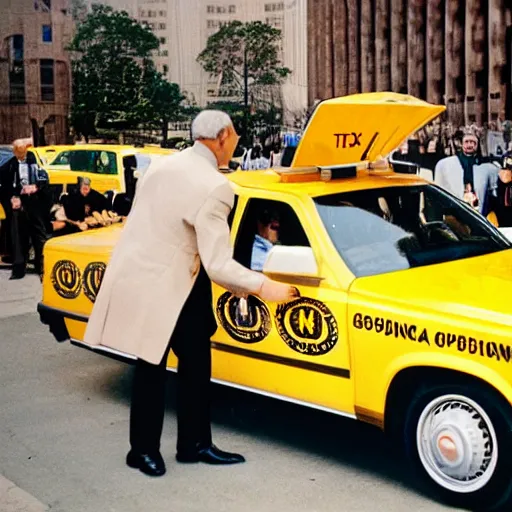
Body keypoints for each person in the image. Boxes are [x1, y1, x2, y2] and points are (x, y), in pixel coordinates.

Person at [83, 110, 299, 477]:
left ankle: (191, 444)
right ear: (222, 137)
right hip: (164, 280)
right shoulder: (215, 186)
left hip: (164, 274)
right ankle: (149, 450)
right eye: (234, 136)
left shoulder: (166, 164)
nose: (236, 143)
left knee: (187, 363)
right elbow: (219, 264)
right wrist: (266, 286)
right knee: (157, 366)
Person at [0, 138, 51, 280]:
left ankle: (41, 266)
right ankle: (19, 267)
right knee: (19, 235)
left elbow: (44, 178)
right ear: (15, 152)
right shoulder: (8, 167)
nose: (23, 156)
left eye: (24, 152)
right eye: (20, 153)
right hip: (19, 203)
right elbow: (4, 188)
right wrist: (12, 198)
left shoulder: (33, 160)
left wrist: (36, 187)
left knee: (39, 234)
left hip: (34, 202)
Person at [435, 131, 499, 215]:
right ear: (462, 144)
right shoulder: (449, 163)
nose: (469, 145)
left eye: (473, 142)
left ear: (476, 145)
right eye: (466, 142)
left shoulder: (484, 163)